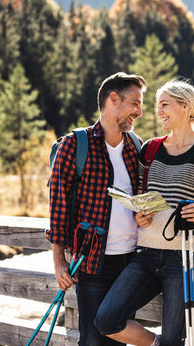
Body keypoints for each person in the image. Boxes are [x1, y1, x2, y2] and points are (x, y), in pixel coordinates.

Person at [93, 80, 194, 346]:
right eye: (157, 106)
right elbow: (143, 197)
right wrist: (140, 215)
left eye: (164, 105)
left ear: (185, 106)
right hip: (145, 254)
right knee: (107, 319)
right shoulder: (151, 149)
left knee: (174, 339)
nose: (158, 112)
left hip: (186, 257)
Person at [47, 72, 147, 346]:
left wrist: (143, 214)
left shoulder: (136, 147)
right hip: (92, 264)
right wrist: (59, 260)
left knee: (118, 337)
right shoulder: (75, 144)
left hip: (132, 262)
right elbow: (58, 204)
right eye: (135, 103)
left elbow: (139, 200)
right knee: (92, 340)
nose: (139, 112)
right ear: (113, 99)